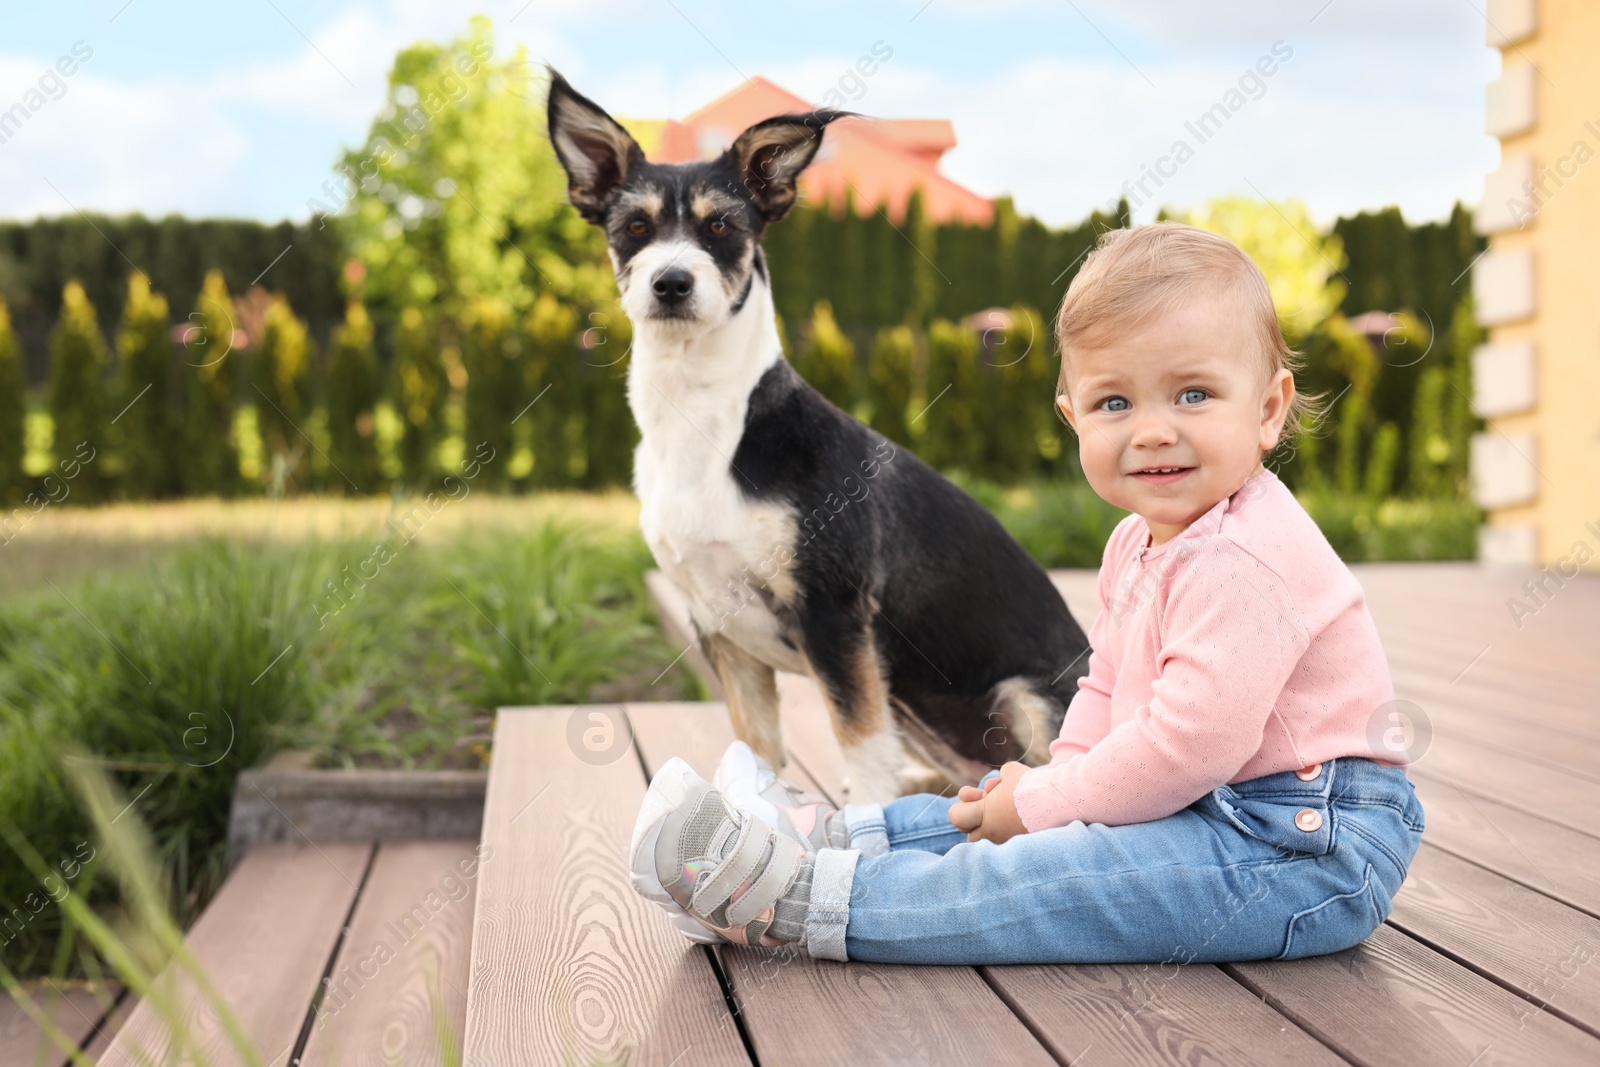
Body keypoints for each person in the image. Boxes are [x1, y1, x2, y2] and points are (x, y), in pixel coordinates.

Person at [627, 221, 1426, 965]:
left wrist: (1048, 808)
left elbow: (1186, 748)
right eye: (1116, 402)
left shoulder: (1245, 560)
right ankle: (826, 833)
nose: (1152, 429)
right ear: (1072, 416)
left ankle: (798, 898)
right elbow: (1106, 691)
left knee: (1054, 880)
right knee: (983, 810)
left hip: (1306, 848)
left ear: (1268, 410)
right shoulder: (1139, 539)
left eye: (1193, 395)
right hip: (1225, 806)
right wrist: (1048, 789)